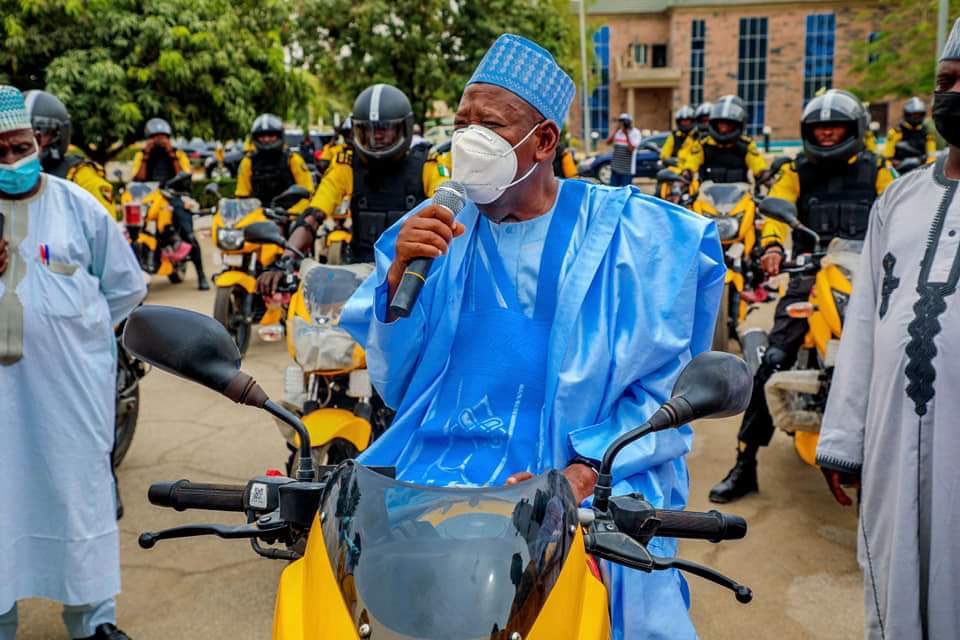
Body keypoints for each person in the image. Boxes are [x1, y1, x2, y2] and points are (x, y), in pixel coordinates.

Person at [339, 34, 725, 638]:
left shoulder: (633, 239)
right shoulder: (430, 234)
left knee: (627, 600)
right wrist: (394, 288)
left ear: (543, 141)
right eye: (462, 123)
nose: (467, 141)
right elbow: (395, 385)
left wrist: (582, 475)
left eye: (489, 126)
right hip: (440, 465)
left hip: (584, 470)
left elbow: (662, 390)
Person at [815, 26, 960, 638]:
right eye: (947, 82)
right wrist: (844, 436)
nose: (953, 94)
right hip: (892, 449)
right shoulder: (898, 200)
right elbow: (865, 331)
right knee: (896, 594)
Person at [0, 85, 146, 640]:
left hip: (70, 396)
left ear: (37, 141)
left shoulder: (78, 207)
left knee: (77, 501)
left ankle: (93, 622)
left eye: (19, 146)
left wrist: (72, 335)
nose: (11, 161)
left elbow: (125, 288)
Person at [708, 89, 894, 503]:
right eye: (820, 128)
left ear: (855, 130)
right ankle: (745, 463)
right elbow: (776, 213)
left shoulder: (878, 170)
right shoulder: (796, 170)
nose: (827, 134)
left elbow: (901, 210)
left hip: (873, 276)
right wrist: (773, 247)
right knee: (771, 361)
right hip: (810, 275)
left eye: (836, 127)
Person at [257, 84, 448, 292]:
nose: (376, 137)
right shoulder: (346, 164)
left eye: (385, 129)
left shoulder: (428, 163)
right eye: (367, 130)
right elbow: (314, 213)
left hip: (415, 278)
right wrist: (287, 257)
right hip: (360, 278)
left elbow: (445, 207)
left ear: (405, 128)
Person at [131, 118, 208, 289]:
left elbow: (185, 175)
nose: (158, 140)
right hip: (150, 199)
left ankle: (201, 275)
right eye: (154, 137)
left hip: (174, 196)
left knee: (188, 233)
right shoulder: (141, 156)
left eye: (162, 137)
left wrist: (171, 154)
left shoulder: (177, 154)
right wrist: (146, 155)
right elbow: (137, 179)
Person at [24, 90, 114, 214]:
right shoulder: (8, 175)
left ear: (58, 135)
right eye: (20, 132)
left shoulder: (80, 176)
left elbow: (104, 228)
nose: (27, 140)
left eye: (40, 131)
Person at [235, 113, 314, 212]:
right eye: (262, 136)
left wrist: (291, 213)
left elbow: (308, 193)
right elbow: (242, 196)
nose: (266, 139)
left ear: (279, 135)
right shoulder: (247, 162)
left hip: (289, 216)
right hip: (258, 217)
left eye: (271, 135)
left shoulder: (293, 159)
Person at [682, 96, 769, 185]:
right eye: (721, 123)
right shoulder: (703, 143)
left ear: (738, 124)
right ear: (714, 123)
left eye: (729, 123)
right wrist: (686, 174)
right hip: (706, 196)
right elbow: (691, 163)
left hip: (741, 196)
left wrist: (765, 175)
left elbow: (758, 164)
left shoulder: (746, 144)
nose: (724, 128)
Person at [883, 96, 937, 168]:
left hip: (920, 170)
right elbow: (887, 157)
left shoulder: (927, 133)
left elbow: (932, 156)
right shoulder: (895, 132)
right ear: (907, 114)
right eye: (914, 115)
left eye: (918, 115)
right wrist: (891, 170)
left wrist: (927, 168)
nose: (916, 118)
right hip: (899, 171)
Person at [604, 113, 641, 187]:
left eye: (624, 121)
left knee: (625, 191)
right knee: (613, 190)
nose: (622, 123)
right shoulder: (618, 132)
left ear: (630, 122)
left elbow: (631, 149)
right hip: (615, 167)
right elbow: (608, 142)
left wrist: (626, 134)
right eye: (620, 121)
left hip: (627, 169)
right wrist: (616, 130)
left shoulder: (635, 133)